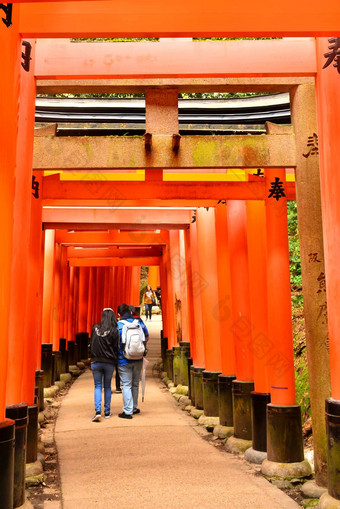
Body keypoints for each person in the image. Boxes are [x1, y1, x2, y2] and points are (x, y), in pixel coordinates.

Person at [117, 303, 149, 419]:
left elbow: (116, 342)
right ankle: (134, 407)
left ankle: (128, 410)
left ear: (119, 314)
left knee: (126, 384)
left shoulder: (119, 325)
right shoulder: (138, 323)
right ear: (130, 312)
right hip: (138, 358)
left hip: (123, 359)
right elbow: (147, 336)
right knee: (135, 383)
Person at [89, 308, 119, 422]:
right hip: (109, 362)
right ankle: (107, 412)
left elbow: (91, 344)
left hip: (96, 361)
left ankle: (97, 411)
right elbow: (116, 347)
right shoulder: (114, 331)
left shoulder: (95, 328)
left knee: (97, 386)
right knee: (107, 387)